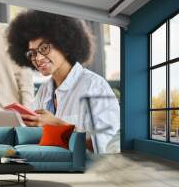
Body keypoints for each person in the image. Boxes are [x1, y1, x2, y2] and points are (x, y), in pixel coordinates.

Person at [7, 10, 120, 154]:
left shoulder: (95, 86)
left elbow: (105, 149)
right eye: (32, 53)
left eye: (44, 48)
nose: (38, 58)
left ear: (65, 46)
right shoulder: (44, 90)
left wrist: (57, 126)